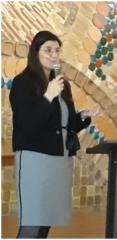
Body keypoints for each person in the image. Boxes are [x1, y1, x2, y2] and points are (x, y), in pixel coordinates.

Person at [9, 31, 102, 238]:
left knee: (46, 220)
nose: (54, 55)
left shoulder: (62, 84)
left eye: (57, 51)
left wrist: (83, 116)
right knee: (33, 221)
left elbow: (65, 126)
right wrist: (48, 96)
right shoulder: (22, 82)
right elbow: (27, 124)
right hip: (35, 159)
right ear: (36, 52)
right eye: (48, 50)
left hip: (59, 159)